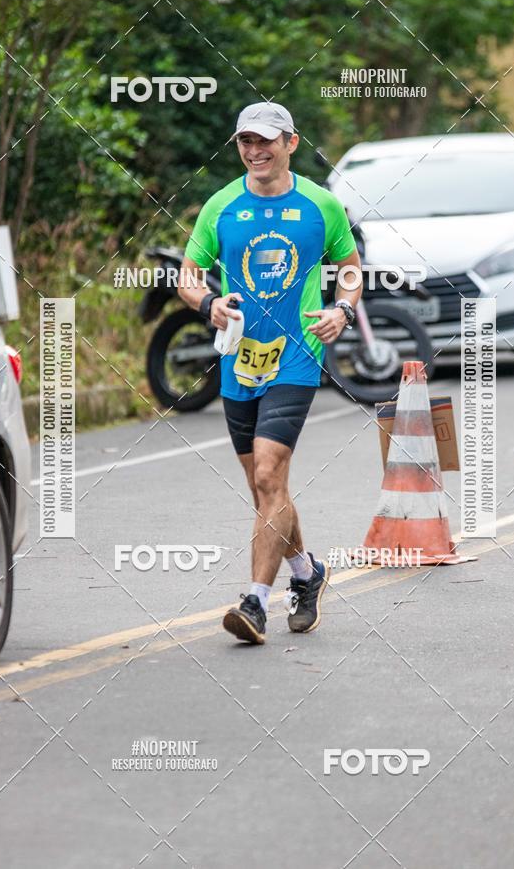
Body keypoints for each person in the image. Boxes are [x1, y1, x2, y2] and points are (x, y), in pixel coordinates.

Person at [178, 102, 362, 644]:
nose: (255, 152)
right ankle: (307, 573)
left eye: (266, 141)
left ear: (291, 142)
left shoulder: (320, 206)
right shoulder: (221, 206)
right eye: (245, 143)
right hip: (239, 358)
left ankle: (255, 602)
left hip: (297, 355)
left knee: (266, 476)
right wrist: (207, 301)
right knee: (267, 490)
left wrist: (342, 310)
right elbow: (188, 275)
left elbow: (350, 270)